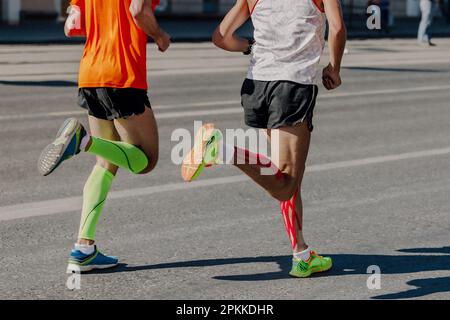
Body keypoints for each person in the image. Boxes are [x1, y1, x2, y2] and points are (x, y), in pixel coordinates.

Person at [181, 0, 346, 278]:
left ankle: (301, 254)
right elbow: (338, 29)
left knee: (286, 176)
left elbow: (220, 38)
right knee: (285, 184)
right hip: (292, 85)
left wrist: (250, 46)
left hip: (257, 85)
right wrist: (334, 67)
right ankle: (222, 148)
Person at [37, 0, 171, 273]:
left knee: (105, 163)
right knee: (145, 160)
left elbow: (71, 26)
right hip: (122, 75)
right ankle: (82, 141)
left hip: (90, 73)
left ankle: (83, 249)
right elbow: (138, 10)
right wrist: (159, 35)